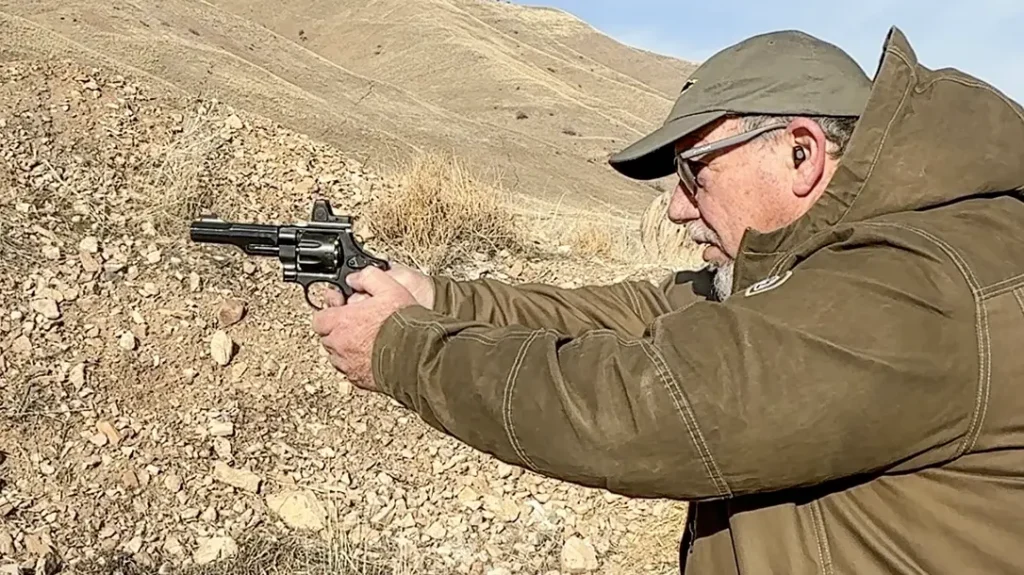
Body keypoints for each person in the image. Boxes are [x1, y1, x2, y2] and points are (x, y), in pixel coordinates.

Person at [311, 26, 1024, 574]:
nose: (679, 207)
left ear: (801, 153)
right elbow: (631, 317)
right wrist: (438, 296)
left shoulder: (921, 286)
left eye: (693, 172)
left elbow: (644, 405)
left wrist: (401, 350)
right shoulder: (814, 270)